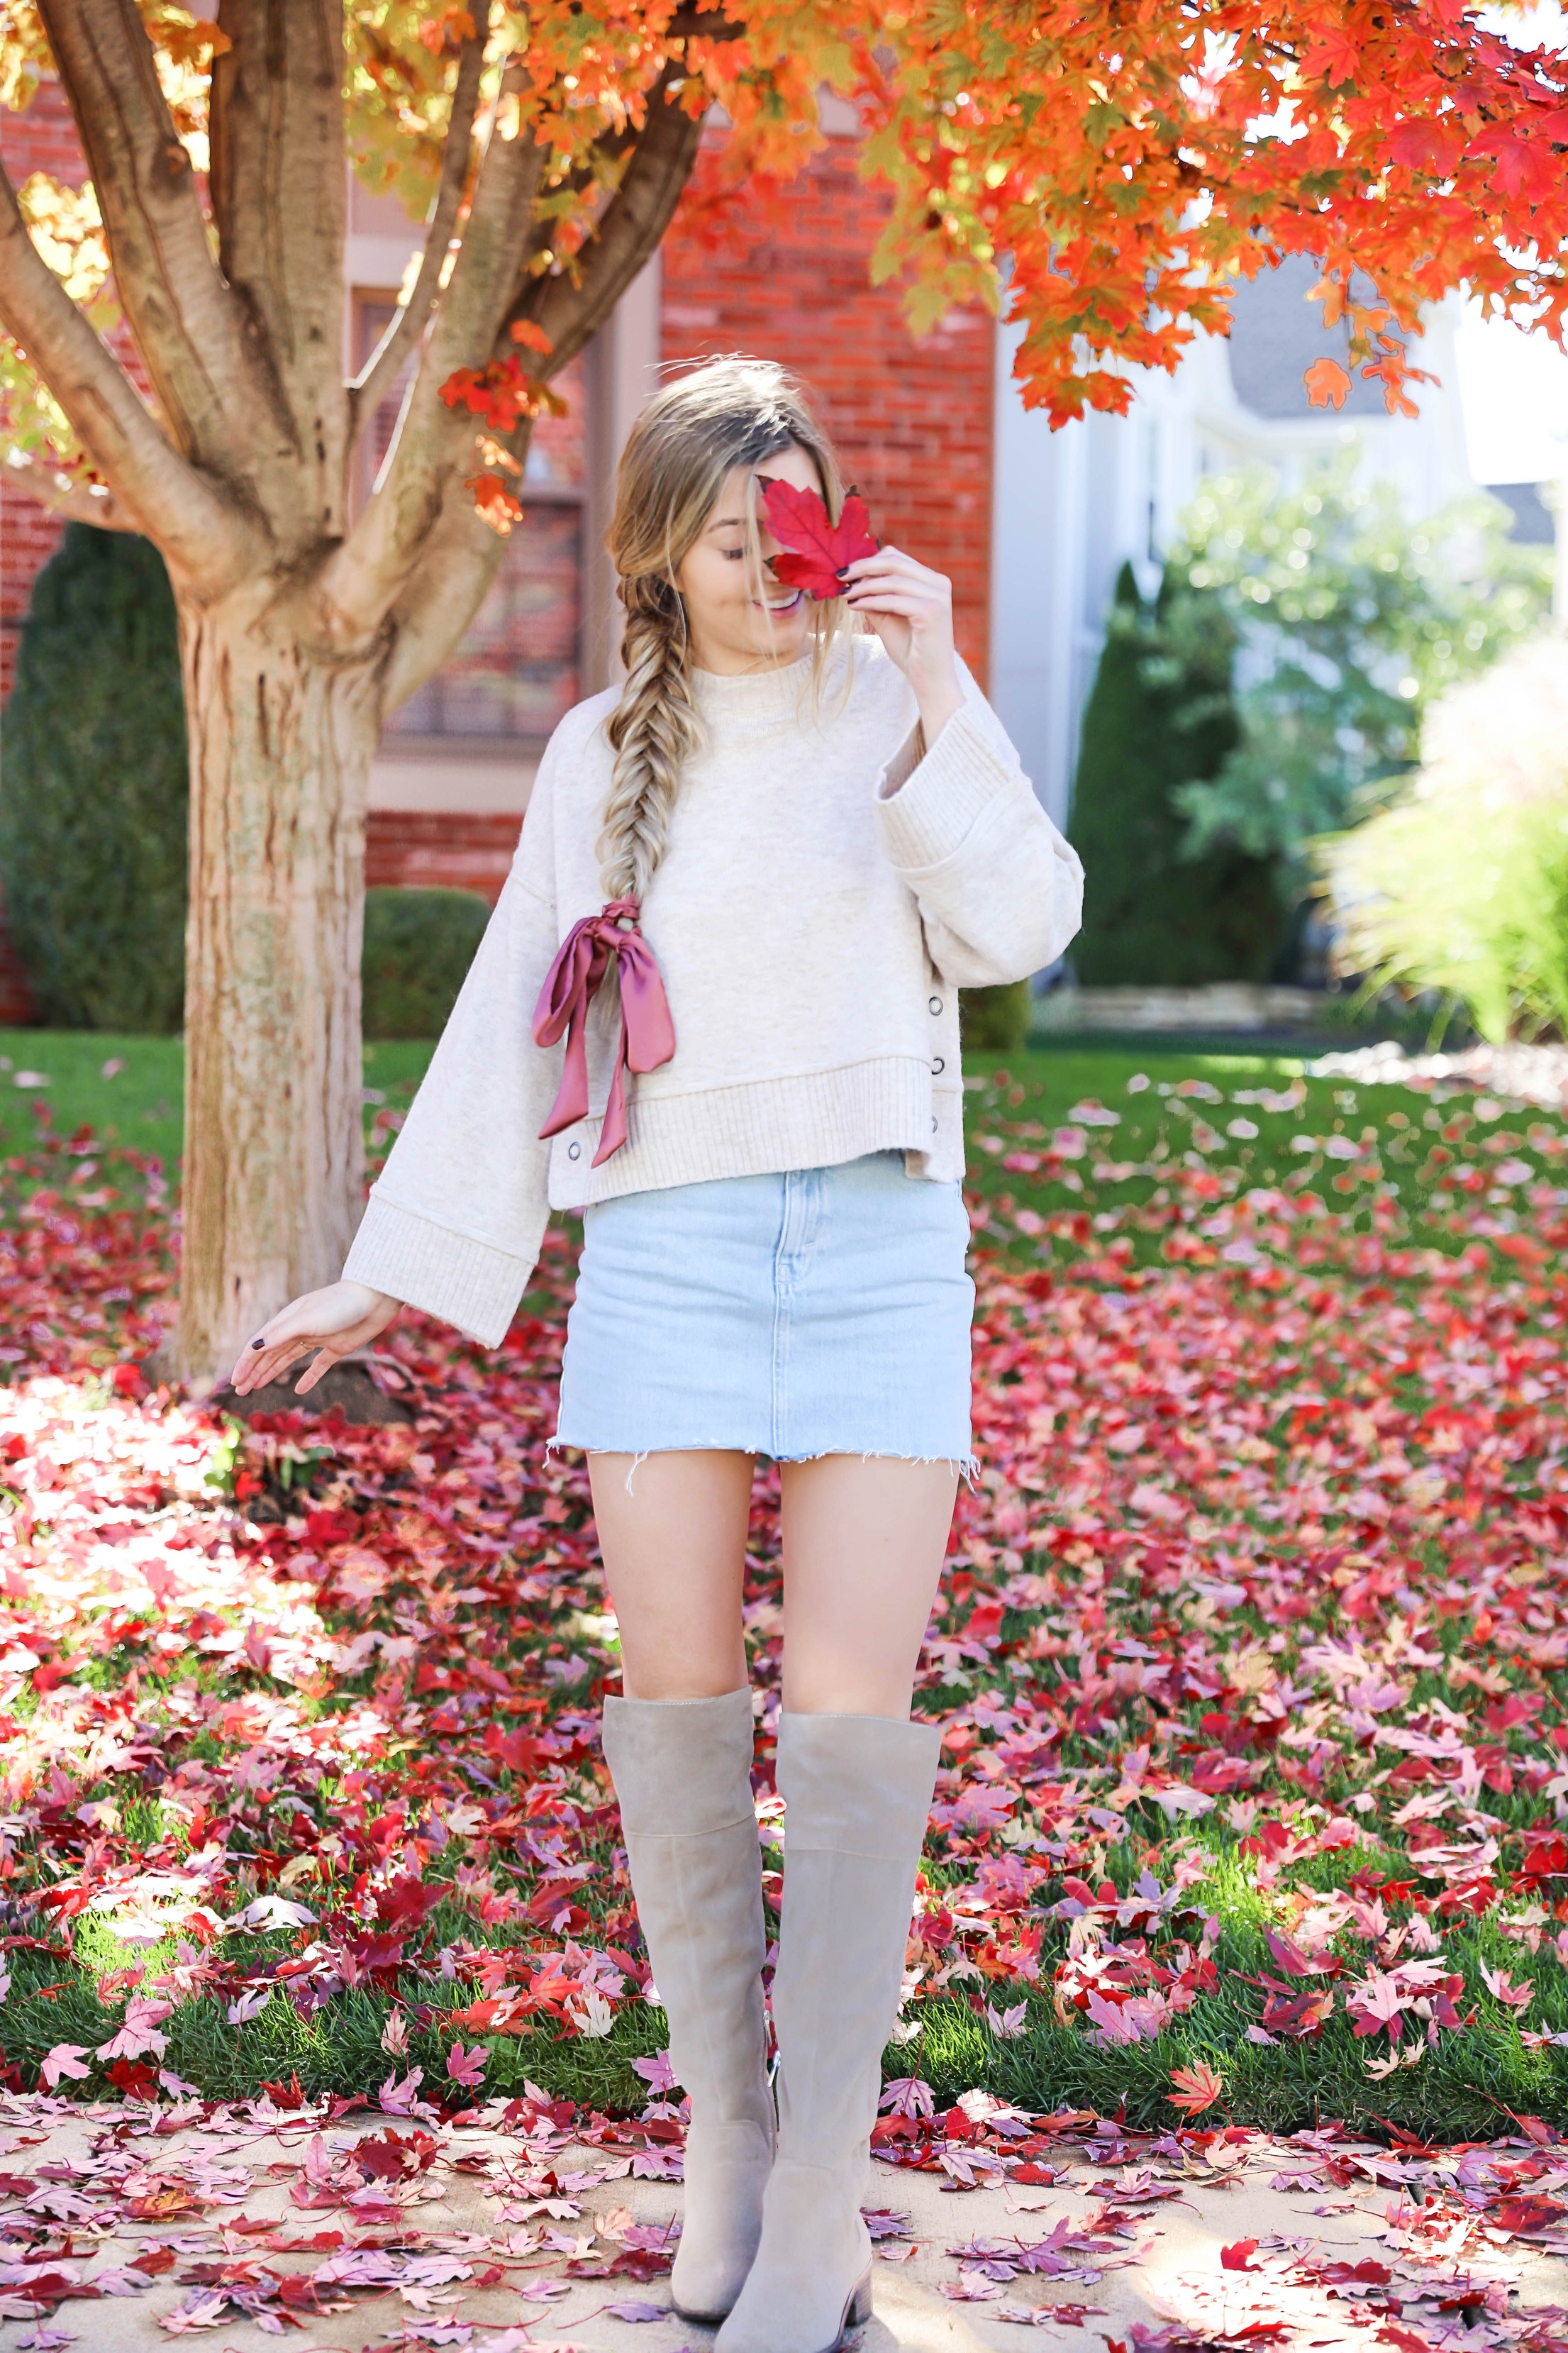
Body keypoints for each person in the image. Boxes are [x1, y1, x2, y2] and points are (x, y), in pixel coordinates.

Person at [232, 357, 1082, 2353]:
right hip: (669, 1257)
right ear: (661, 556)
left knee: (851, 1720)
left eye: (797, 517)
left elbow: (1028, 924)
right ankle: (724, 2139)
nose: (769, 560)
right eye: (729, 532)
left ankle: (815, 2192)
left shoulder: (889, 713)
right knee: (679, 1703)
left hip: (878, 1248)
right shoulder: (601, 751)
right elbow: (517, 1034)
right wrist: (389, 1275)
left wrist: (942, 685)